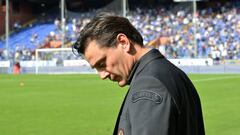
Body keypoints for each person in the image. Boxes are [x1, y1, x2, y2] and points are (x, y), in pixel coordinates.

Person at [73, 14, 205, 135]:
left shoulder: (149, 84)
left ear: (123, 42)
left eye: (102, 63)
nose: (102, 75)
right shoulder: (170, 72)